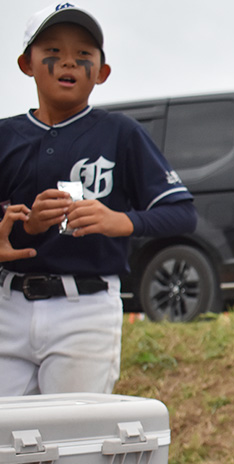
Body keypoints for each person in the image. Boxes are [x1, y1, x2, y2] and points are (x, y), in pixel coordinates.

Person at [0, 3, 196, 396]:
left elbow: (182, 215)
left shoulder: (120, 133)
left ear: (102, 72)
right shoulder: (6, 136)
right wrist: (24, 227)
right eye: (52, 52)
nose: (68, 63)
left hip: (84, 307)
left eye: (83, 55)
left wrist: (121, 221)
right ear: (26, 63)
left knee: (73, 437)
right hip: (8, 302)